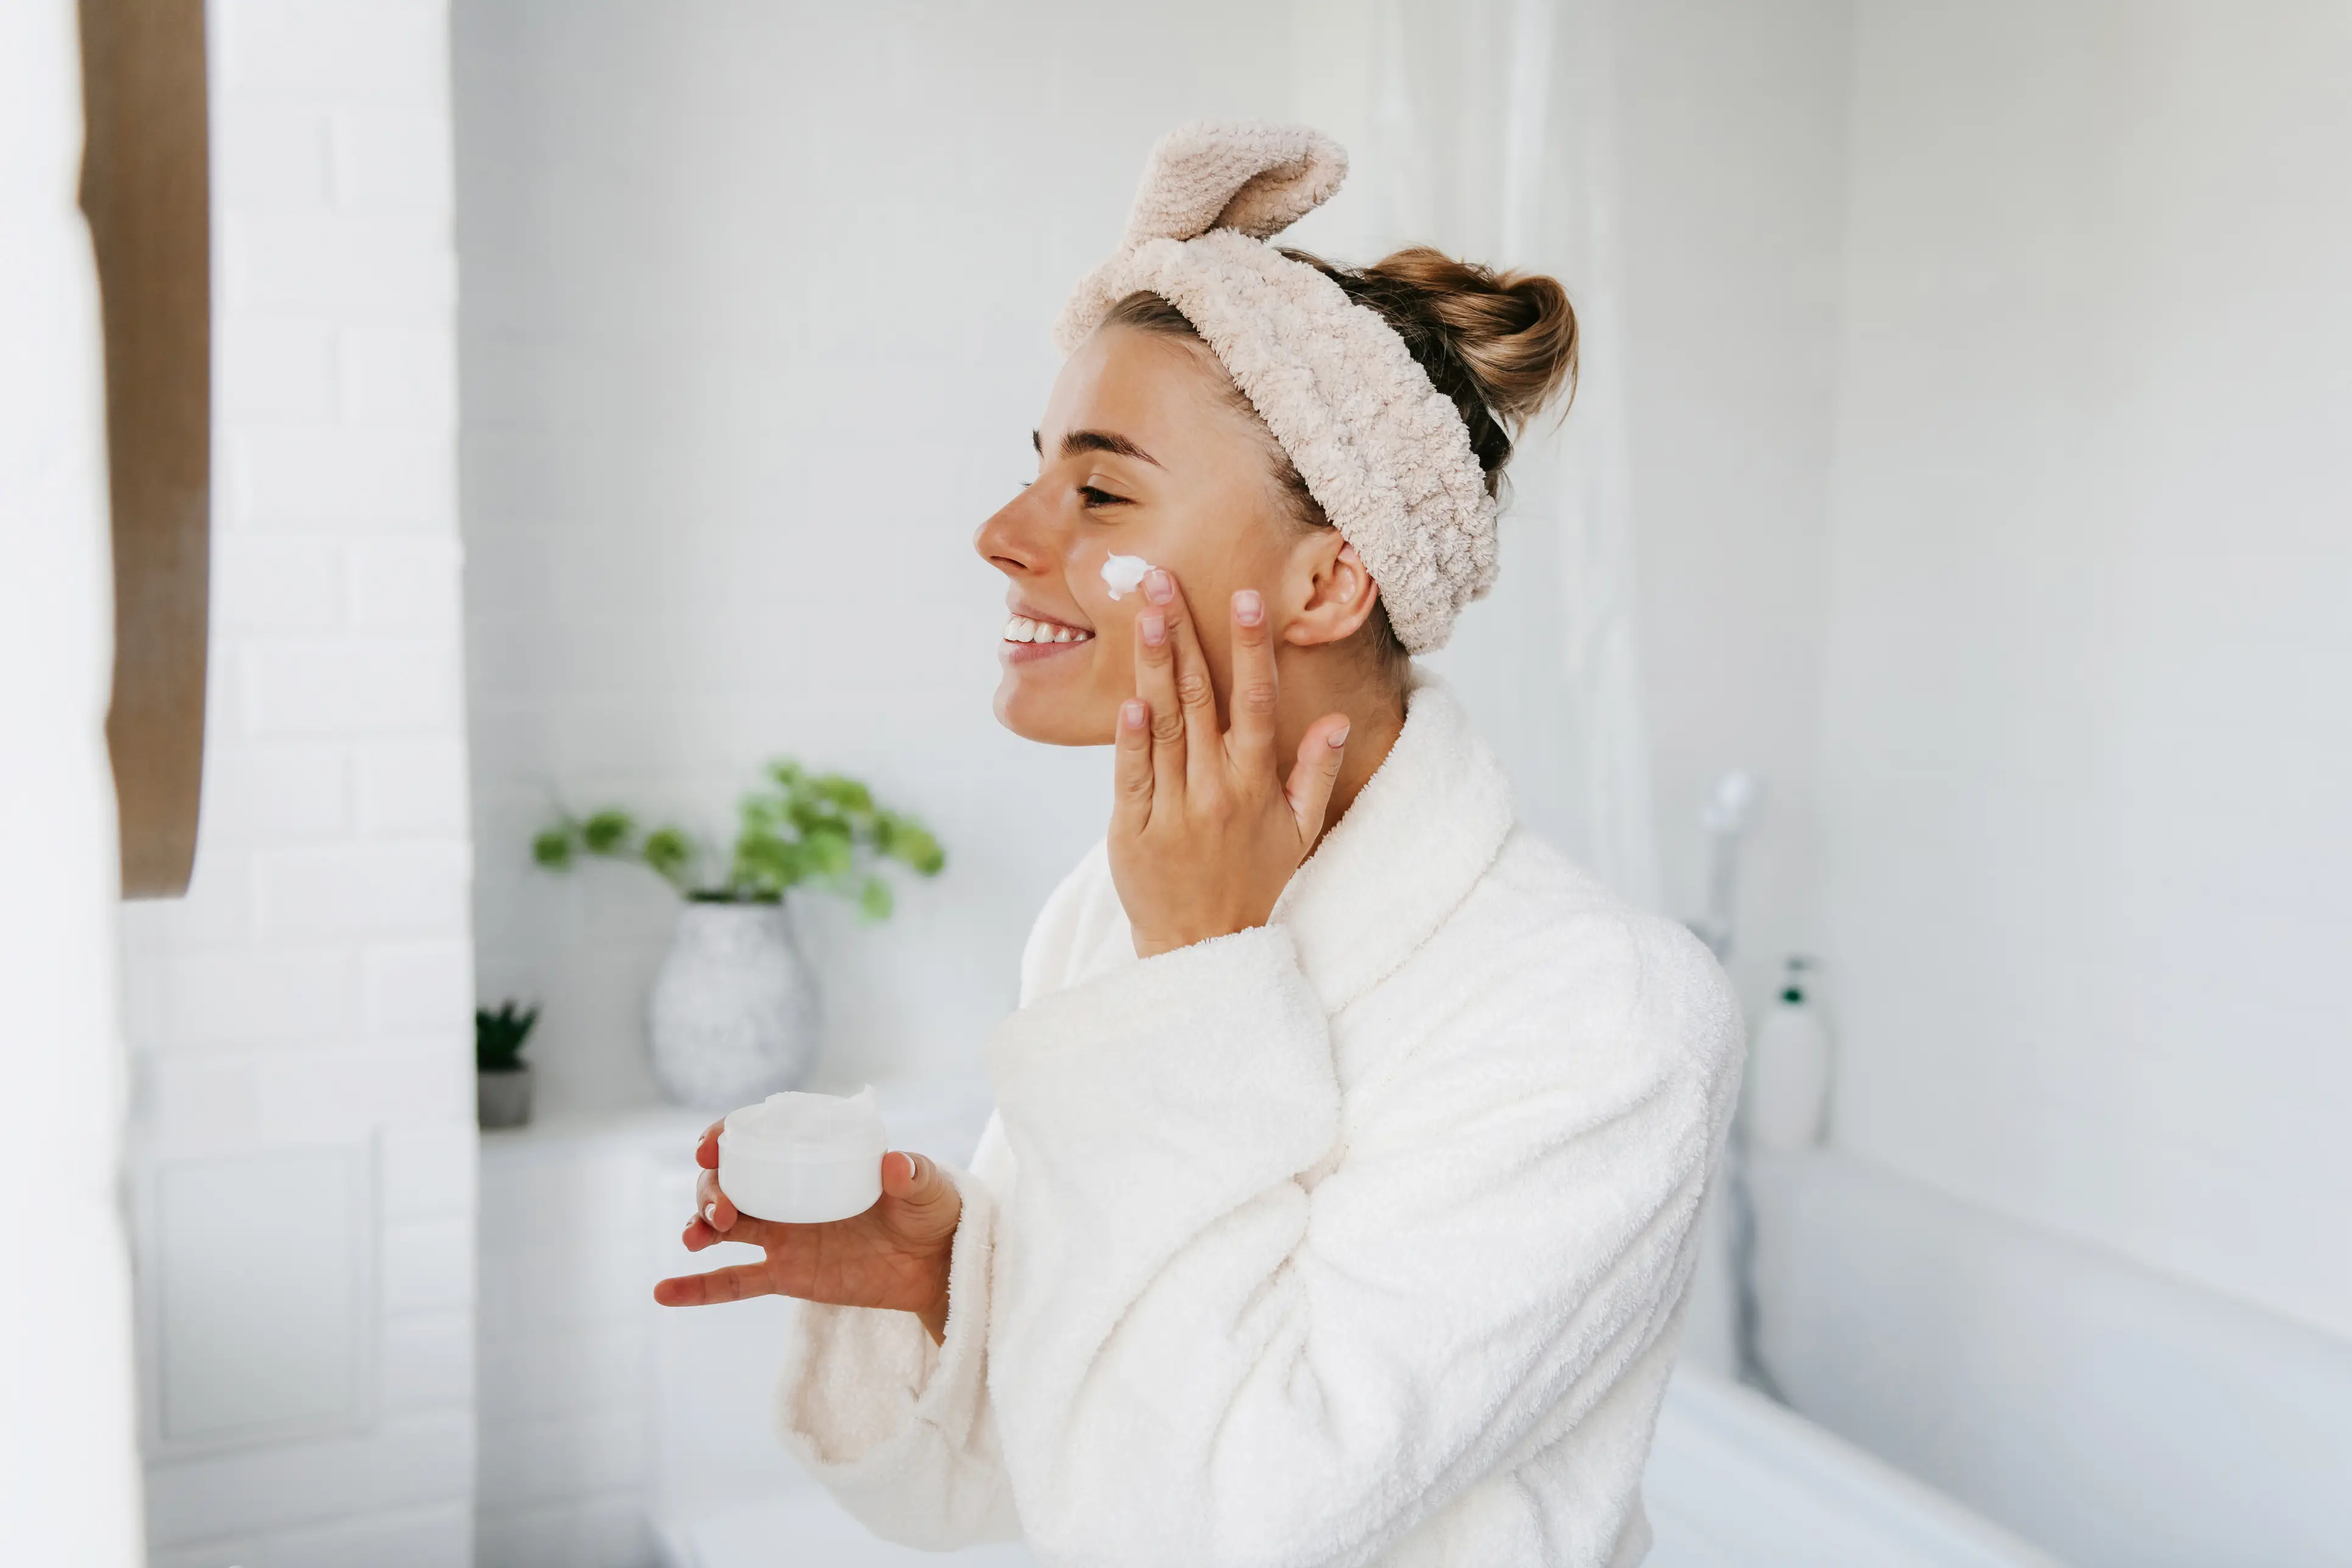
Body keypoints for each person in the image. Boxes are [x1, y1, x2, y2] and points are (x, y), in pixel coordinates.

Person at [654, 122, 1741, 1568]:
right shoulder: (1109, 920)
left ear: (1327, 577)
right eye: (1035, 470)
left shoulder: (1598, 1017)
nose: (999, 532)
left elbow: (1215, 1532)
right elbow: (1017, 1499)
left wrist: (1208, 971)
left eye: (1099, 490)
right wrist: (951, 1292)